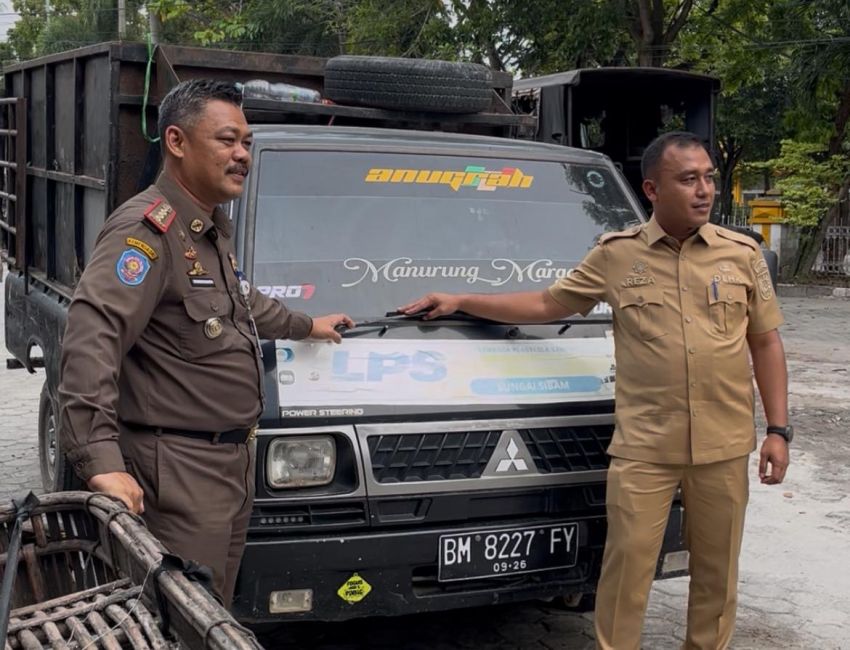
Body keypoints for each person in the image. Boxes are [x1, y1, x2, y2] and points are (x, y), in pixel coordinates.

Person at [399, 131, 790, 649]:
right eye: (688, 179)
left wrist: (779, 430)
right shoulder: (617, 256)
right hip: (645, 450)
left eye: (709, 178)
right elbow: (546, 304)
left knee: (717, 579)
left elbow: (765, 343)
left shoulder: (741, 255)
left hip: (723, 446)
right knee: (625, 575)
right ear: (652, 189)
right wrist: (462, 300)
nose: (704, 190)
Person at [59, 79, 354, 606]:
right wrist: (101, 459)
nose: (243, 154)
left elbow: (243, 303)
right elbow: (92, 334)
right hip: (178, 474)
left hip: (226, 469)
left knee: (211, 606)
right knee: (177, 619)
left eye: (246, 142)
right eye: (226, 140)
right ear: (176, 142)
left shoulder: (207, 231)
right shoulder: (147, 231)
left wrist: (309, 326)